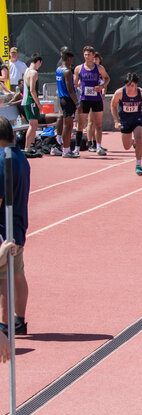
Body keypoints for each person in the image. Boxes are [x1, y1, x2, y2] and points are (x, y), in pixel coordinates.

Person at [0, 117, 31, 336]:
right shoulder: (21, 157)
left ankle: (4, 325)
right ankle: (18, 320)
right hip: (18, 222)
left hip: (4, 227)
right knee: (17, 273)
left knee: (3, 277)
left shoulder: (3, 160)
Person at [111, 73, 142, 176]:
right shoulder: (119, 93)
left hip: (137, 119)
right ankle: (133, 142)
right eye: (127, 85)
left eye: (132, 86)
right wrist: (116, 121)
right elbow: (113, 105)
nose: (130, 88)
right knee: (126, 147)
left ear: (136, 85)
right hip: (125, 121)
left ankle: (138, 164)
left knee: (139, 138)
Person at [74, 45, 110, 156]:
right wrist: (77, 91)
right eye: (85, 54)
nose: (87, 57)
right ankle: (76, 149)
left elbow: (107, 78)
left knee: (98, 124)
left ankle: (98, 147)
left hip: (96, 99)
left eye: (89, 55)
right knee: (80, 125)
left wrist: (101, 86)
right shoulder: (79, 68)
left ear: (93, 55)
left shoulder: (99, 68)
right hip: (84, 99)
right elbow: (75, 83)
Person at [56, 50, 79, 158]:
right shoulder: (67, 72)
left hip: (62, 99)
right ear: (69, 59)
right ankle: (66, 150)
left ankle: (66, 149)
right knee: (68, 126)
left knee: (68, 125)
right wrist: (77, 103)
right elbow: (70, 89)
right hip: (68, 100)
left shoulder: (58, 70)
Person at [21, 54, 43, 153]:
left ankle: (31, 145)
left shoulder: (26, 71)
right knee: (33, 124)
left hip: (28, 101)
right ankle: (27, 147)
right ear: (38, 62)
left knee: (34, 124)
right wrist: (38, 103)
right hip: (31, 101)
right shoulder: (33, 73)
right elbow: (32, 90)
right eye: (40, 64)